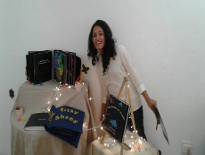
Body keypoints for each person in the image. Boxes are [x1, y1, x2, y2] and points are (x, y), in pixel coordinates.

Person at [87, 19, 157, 140]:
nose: (97, 38)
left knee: (140, 142)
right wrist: (103, 113)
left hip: (132, 107)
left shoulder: (120, 51)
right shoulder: (98, 62)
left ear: (106, 35)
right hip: (116, 109)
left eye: (100, 34)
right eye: (94, 35)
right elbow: (105, 90)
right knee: (121, 144)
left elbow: (135, 77)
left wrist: (148, 99)